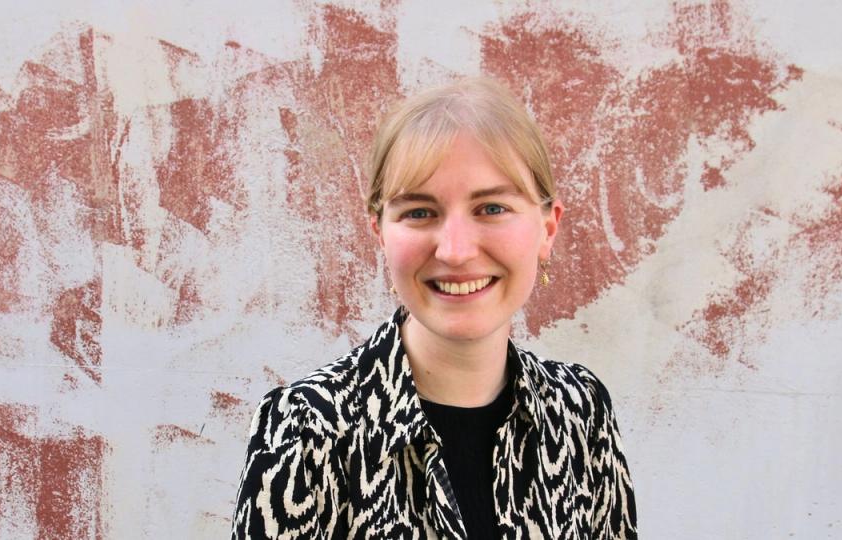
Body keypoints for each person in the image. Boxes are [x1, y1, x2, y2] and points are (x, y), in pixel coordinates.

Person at [232, 77, 638, 539]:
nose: (456, 251)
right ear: (380, 232)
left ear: (547, 228)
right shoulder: (308, 427)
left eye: (491, 208)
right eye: (420, 212)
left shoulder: (580, 412)